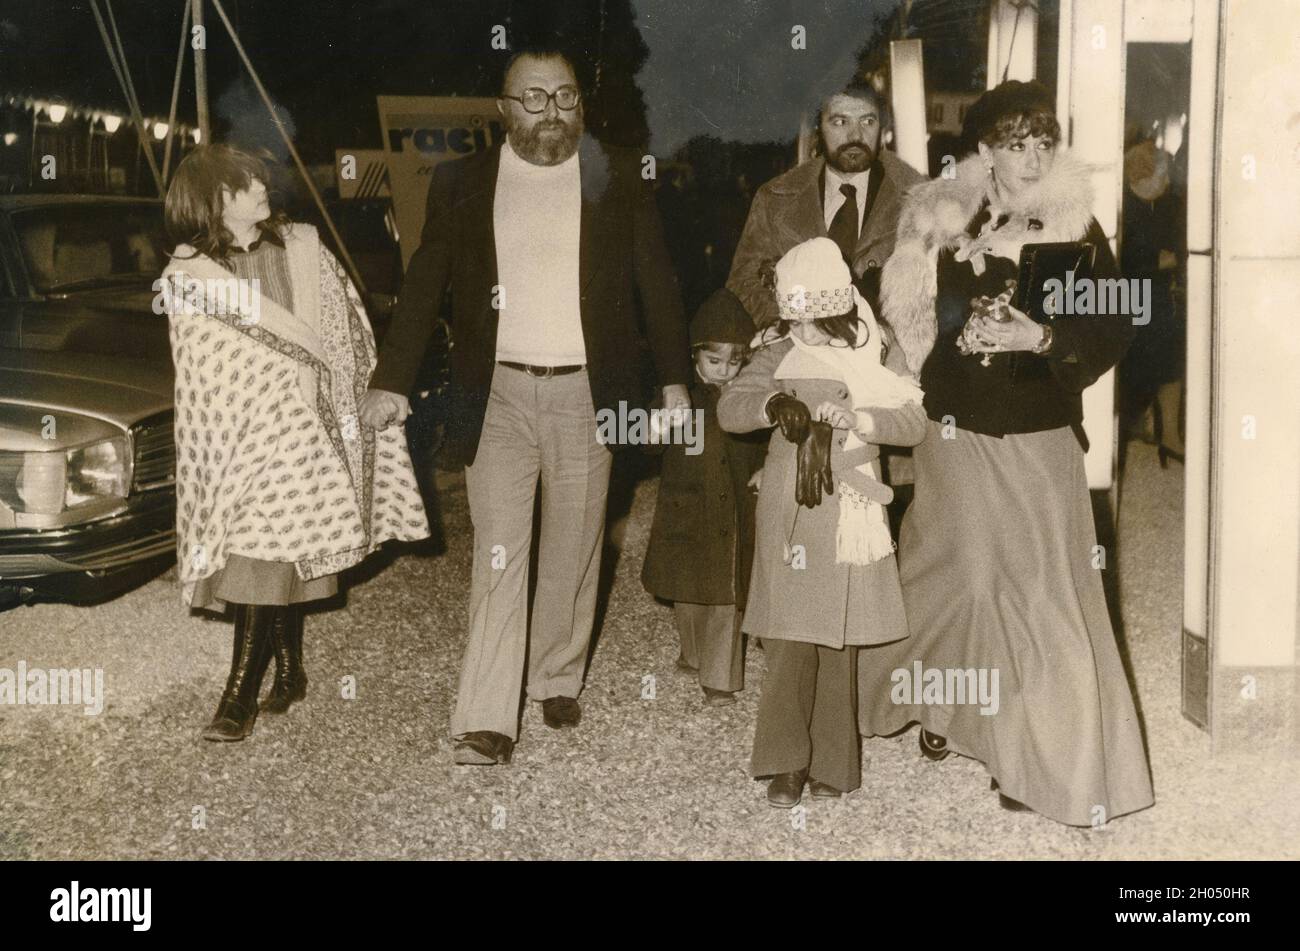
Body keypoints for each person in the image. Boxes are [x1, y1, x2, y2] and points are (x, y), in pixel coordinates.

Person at [359, 46, 691, 766]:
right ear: (505, 111)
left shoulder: (617, 179)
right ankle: (485, 715)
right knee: (500, 549)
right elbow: (425, 285)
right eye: (534, 98)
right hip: (499, 392)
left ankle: (556, 672)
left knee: (575, 543)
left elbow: (657, 285)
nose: (552, 113)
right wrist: (391, 378)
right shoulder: (462, 183)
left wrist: (674, 381)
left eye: (565, 97)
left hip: (589, 389)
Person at [860, 80, 1155, 825]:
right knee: (948, 575)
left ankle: (1046, 760)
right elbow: (895, 307)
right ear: (984, 149)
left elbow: (1118, 324)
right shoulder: (937, 215)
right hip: (951, 433)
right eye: (1015, 143)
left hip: (1034, 433)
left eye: (1042, 142)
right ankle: (943, 706)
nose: (1031, 157)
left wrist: (1044, 337)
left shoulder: (1074, 224)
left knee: (1040, 593)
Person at [161, 144, 429, 742]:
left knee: (277, 551)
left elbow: (346, 326)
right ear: (213, 202)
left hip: (306, 428)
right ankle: (288, 668)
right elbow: (202, 368)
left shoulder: (303, 247)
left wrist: (346, 395)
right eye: (246, 184)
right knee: (265, 553)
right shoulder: (188, 276)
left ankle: (238, 700)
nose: (262, 189)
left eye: (260, 178)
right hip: (241, 437)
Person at [717, 237, 926, 807]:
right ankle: (785, 763)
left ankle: (834, 760)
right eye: (793, 321)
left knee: (840, 640)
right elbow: (730, 407)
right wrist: (771, 406)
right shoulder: (777, 352)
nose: (802, 334)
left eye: (814, 323)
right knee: (787, 637)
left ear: (839, 309)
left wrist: (860, 416)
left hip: (852, 515)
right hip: (791, 507)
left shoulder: (881, 350)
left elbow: (913, 421)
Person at [641, 288, 767, 707]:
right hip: (685, 507)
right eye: (714, 362)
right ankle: (694, 655)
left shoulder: (751, 396)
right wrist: (657, 426)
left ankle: (720, 678)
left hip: (733, 509)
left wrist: (769, 468)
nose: (725, 372)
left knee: (728, 592)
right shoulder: (679, 396)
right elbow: (643, 444)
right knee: (687, 590)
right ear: (694, 355)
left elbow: (772, 440)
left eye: (735, 363)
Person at [727, 78, 924, 328]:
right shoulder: (775, 199)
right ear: (818, 129)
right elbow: (744, 282)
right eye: (840, 122)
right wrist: (796, 326)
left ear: (882, 130)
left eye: (867, 121)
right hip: (796, 351)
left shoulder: (918, 202)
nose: (855, 135)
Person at [1119, 137, 1185, 466]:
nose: (1168, 179)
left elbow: (1179, 248)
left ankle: (1168, 436)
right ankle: (1139, 428)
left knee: (1170, 357)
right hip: (1125, 291)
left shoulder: (1171, 202)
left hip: (1157, 291)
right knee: (1137, 359)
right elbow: (1123, 254)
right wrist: (1157, 261)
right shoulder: (1124, 203)